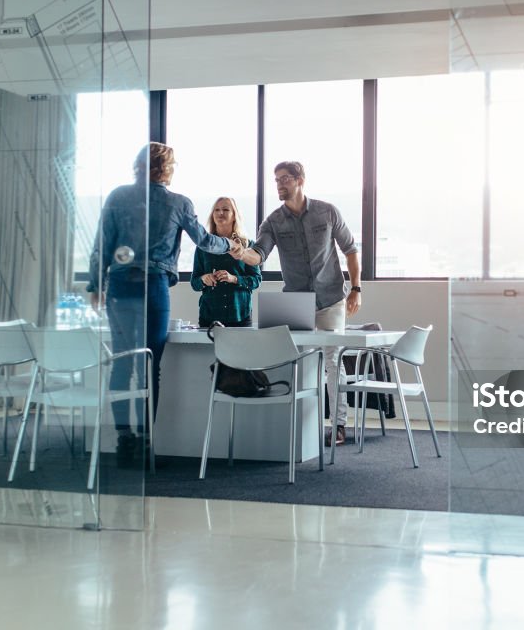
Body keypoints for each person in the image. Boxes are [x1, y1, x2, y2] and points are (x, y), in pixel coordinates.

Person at [87, 142, 241, 463]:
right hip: (154, 287)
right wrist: (232, 244)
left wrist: (94, 284)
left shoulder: (117, 196)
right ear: (167, 169)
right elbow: (205, 240)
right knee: (149, 365)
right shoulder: (178, 203)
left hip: (119, 285)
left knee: (122, 363)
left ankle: (124, 438)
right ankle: (145, 440)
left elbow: (102, 245)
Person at [233, 160, 361, 447]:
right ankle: (302, 428)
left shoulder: (327, 212)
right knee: (297, 362)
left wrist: (356, 288)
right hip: (296, 301)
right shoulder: (273, 222)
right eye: (276, 180)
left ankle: (338, 426)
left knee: (333, 360)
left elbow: (350, 250)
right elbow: (258, 255)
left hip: (331, 299)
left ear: (300, 179)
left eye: (285, 179)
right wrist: (242, 254)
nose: (280, 184)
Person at [191, 197, 261, 327]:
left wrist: (234, 279)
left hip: (240, 315)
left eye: (225, 209)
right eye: (216, 210)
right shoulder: (203, 247)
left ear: (234, 216)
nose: (220, 213)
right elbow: (194, 283)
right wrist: (203, 279)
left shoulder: (247, 245)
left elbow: (256, 280)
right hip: (209, 316)